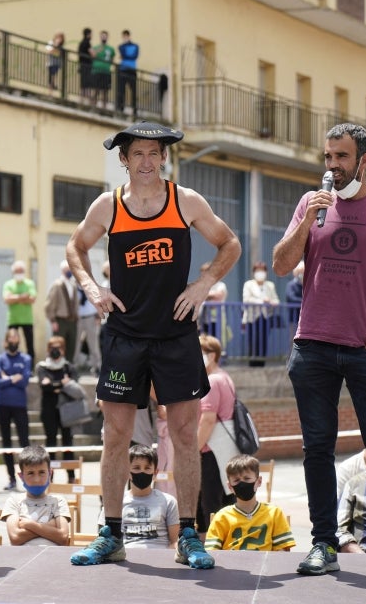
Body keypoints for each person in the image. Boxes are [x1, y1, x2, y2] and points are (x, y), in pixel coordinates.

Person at [65, 120, 241, 569]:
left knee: (184, 435)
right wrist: (91, 288)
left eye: (153, 153)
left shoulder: (185, 201)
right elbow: (75, 247)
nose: (146, 161)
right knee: (115, 436)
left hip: (176, 334)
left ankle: (188, 535)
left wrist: (203, 283)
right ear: (123, 160)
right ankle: (111, 534)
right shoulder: (109, 206)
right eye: (137, 154)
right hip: (125, 335)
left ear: (164, 157)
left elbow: (229, 244)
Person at [271, 122, 366, 581]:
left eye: (341, 157)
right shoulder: (310, 204)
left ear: (363, 160)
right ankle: (323, 544)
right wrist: (307, 220)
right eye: (327, 157)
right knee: (316, 450)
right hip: (313, 346)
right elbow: (281, 264)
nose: (332, 165)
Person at [204, 454, 295, 552]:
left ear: (259, 481)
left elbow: (282, 553)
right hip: (233, 562)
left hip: (265, 561)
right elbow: (212, 553)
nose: (242, 484)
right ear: (230, 487)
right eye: (236, 480)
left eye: (247, 479)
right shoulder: (222, 517)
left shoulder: (274, 513)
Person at [100, 444, 179, 548]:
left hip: (159, 554)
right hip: (125, 556)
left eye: (147, 468)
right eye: (136, 468)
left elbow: (175, 542)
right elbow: (105, 540)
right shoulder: (114, 502)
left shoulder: (169, 502)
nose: (142, 472)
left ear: (155, 472)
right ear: (126, 471)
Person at [196, 334, 237, 532]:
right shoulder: (225, 377)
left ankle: (213, 541)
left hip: (212, 447)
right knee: (227, 498)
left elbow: (208, 419)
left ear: (211, 356)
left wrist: (194, 448)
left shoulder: (212, 380)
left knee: (210, 501)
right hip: (227, 446)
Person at [1, 444, 70, 546]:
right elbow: (15, 537)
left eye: (42, 472)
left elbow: (63, 537)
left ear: (50, 473)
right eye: (30, 473)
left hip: (52, 554)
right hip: (23, 555)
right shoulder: (14, 501)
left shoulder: (58, 501)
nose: (37, 479)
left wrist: (31, 525)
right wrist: (50, 525)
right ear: (21, 476)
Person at [35, 336, 79, 482]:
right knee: (51, 442)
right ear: (48, 349)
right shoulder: (42, 367)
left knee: (68, 442)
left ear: (63, 350)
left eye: (58, 347)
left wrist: (53, 385)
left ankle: (71, 476)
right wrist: (62, 383)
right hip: (49, 410)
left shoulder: (69, 367)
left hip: (67, 410)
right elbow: (44, 386)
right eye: (52, 347)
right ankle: (49, 477)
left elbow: (74, 385)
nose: (55, 350)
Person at [0, 328, 32, 491]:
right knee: (6, 441)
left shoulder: (26, 358)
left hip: (20, 404)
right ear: (6, 340)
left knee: (24, 441)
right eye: (11, 338)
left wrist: (6, 378)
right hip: (2, 404)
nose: (13, 341)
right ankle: (11, 478)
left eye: (16, 338)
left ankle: (29, 476)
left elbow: (25, 381)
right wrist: (14, 377)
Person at [242, 261, 280, 363]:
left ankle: (262, 363)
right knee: (252, 341)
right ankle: (252, 363)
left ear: (266, 272)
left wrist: (270, 302)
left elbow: (276, 300)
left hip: (266, 317)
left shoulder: (270, 285)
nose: (260, 273)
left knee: (263, 341)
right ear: (254, 272)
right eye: (258, 271)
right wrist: (262, 301)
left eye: (262, 270)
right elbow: (246, 300)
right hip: (252, 318)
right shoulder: (248, 284)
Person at [3, 260, 37, 364]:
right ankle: (9, 364)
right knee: (11, 343)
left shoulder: (29, 283)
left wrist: (14, 298)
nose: (19, 273)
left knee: (29, 344)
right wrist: (22, 297)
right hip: (13, 319)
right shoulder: (8, 284)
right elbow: (7, 299)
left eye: (21, 271)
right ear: (13, 272)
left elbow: (32, 299)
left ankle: (30, 366)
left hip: (27, 319)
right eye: (17, 271)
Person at [44, 260, 79, 359]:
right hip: (60, 321)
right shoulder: (57, 285)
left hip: (72, 321)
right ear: (63, 270)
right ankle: (57, 365)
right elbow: (49, 304)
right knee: (58, 345)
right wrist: (53, 320)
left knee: (71, 345)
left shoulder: (73, 284)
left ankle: (68, 366)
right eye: (68, 269)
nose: (70, 271)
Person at [198, 261, 227, 340]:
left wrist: (205, 295)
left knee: (216, 340)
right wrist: (209, 296)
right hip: (203, 319)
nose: (203, 274)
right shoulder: (201, 286)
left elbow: (218, 296)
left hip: (217, 319)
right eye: (202, 272)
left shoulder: (220, 285)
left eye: (205, 272)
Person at [91, 30, 115, 108]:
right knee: (95, 90)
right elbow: (92, 56)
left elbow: (112, 59)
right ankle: (93, 106)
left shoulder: (111, 49)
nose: (104, 37)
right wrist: (98, 50)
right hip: (96, 71)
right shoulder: (96, 47)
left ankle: (104, 108)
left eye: (105, 36)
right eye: (102, 36)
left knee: (105, 91)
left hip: (106, 72)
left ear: (107, 37)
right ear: (100, 37)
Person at [116, 29, 138, 113]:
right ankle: (121, 108)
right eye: (123, 37)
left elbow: (134, 56)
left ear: (129, 36)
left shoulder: (135, 46)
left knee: (133, 91)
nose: (125, 38)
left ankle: (134, 109)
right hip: (123, 69)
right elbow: (123, 53)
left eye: (126, 36)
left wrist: (125, 56)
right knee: (121, 90)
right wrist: (126, 55)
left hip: (132, 70)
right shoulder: (121, 46)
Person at [285, 260, 304, 327]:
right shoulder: (291, 285)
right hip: (294, 318)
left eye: (303, 272)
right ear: (295, 273)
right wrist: (304, 301)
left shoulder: (308, 286)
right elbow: (291, 298)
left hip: (306, 319)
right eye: (300, 272)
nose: (302, 274)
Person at [77, 27, 93, 104]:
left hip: (82, 64)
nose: (91, 36)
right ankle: (87, 99)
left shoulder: (81, 43)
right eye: (91, 34)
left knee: (83, 82)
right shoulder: (87, 43)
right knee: (87, 82)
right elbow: (92, 53)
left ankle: (82, 99)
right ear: (88, 34)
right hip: (87, 65)